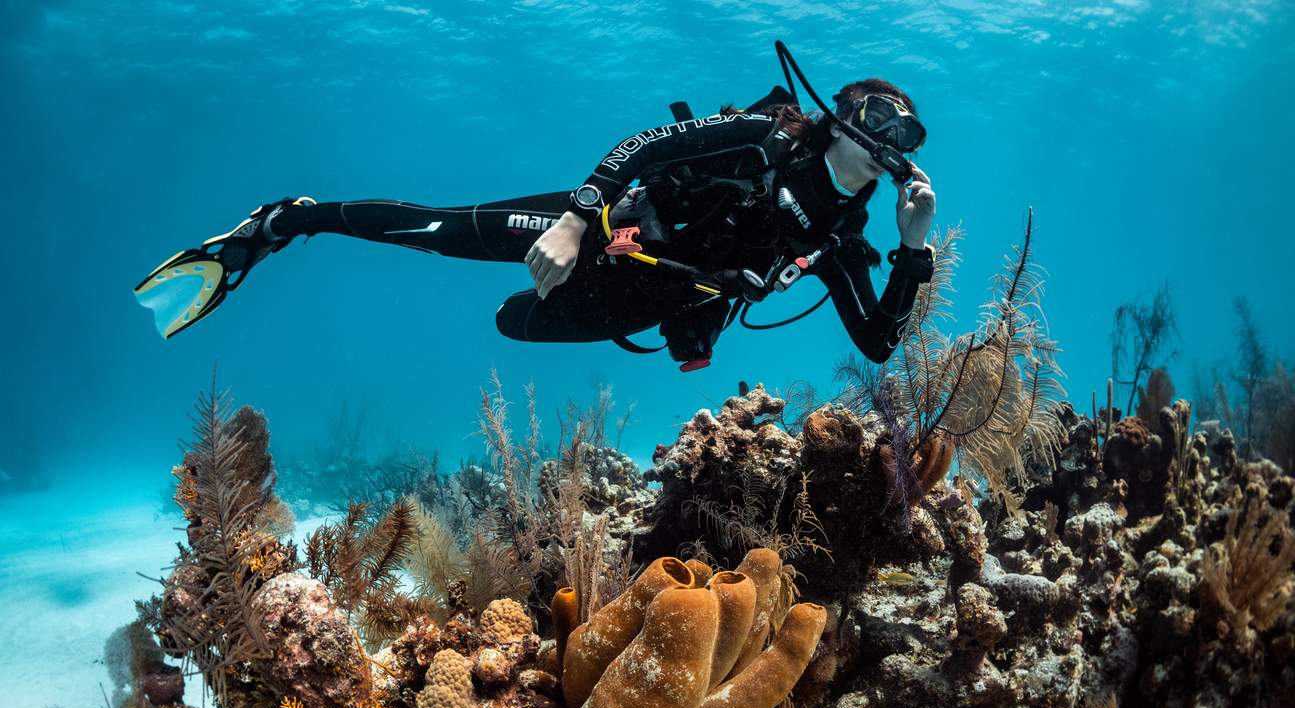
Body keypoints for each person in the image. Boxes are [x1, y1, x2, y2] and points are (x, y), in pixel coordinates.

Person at [134, 75, 935, 372]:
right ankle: (288, 221)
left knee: (511, 323)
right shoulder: (764, 139)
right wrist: (577, 219)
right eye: (876, 114)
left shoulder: (838, 238)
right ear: (839, 114)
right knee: (440, 230)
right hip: (609, 225)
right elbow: (643, 144)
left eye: (904, 132)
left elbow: (877, 343)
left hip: (651, 297)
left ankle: (295, 222)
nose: (887, 136)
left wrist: (911, 250)